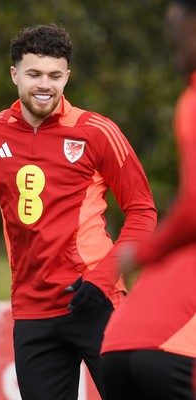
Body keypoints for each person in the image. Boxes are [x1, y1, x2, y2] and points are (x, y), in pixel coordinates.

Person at [0, 23, 157, 400]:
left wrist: (102, 280)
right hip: (32, 311)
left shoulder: (96, 131)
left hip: (96, 299)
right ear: (14, 73)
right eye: (34, 74)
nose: (44, 85)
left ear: (67, 76)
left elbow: (143, 213)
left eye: (54, 75)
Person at [101, 1, 196, 399]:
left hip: (120, 346)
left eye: (179, 32)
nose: (175, 47)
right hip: (173, 351)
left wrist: (146, 251)